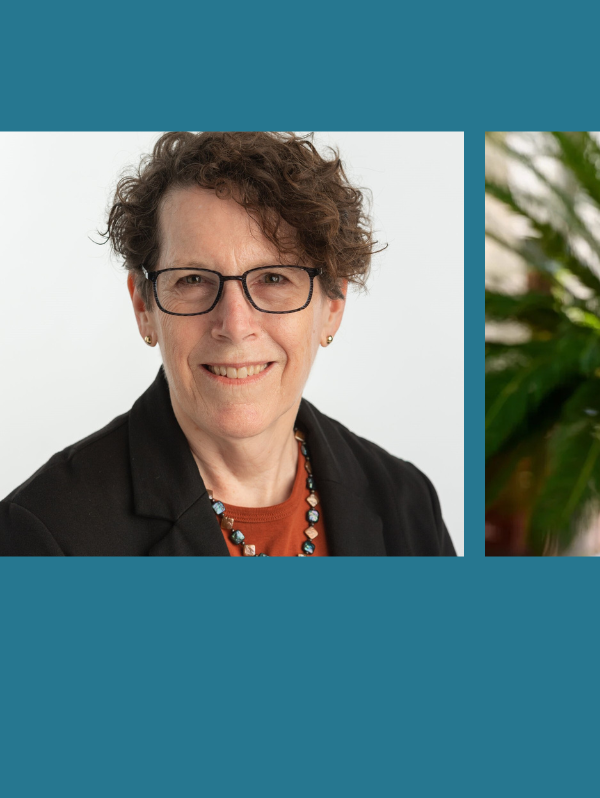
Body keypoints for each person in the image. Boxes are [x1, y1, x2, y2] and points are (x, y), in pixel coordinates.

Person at [0, 132, 457, 556]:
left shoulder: (407, 502)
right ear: (145, 307)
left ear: (332, 306)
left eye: (274, 278)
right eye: (194, 279)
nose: (235, 325)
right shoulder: (45, 533)